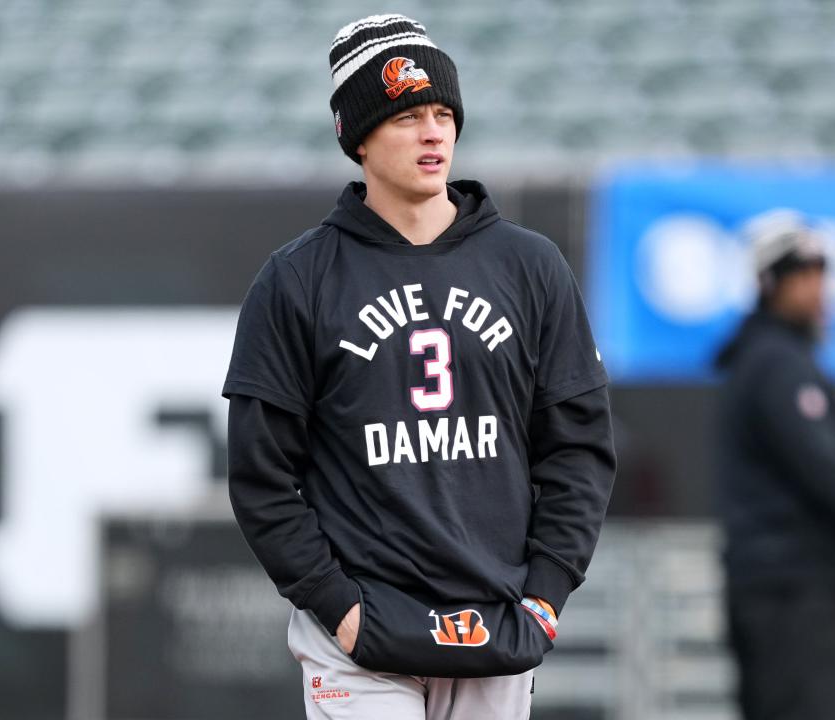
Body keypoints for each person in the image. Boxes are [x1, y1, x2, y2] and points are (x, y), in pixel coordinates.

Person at [221, 14, 616, 720]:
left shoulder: (530, 266)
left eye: (442, 113)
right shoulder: (296, 280)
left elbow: (579, 450)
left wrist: (546, 595)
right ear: (358, 136)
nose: (433, 132)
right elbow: (262, 476)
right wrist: (339, 608)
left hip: (497, 624)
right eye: (406, 116)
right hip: (362, 634)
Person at [714, 209, 835, 720]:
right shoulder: (777, 364)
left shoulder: (771, 359)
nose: (817, 288)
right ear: (769, 283)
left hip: (786, 592)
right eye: (801, 275)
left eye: (821, 273)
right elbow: (832, 471)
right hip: (792, 596)